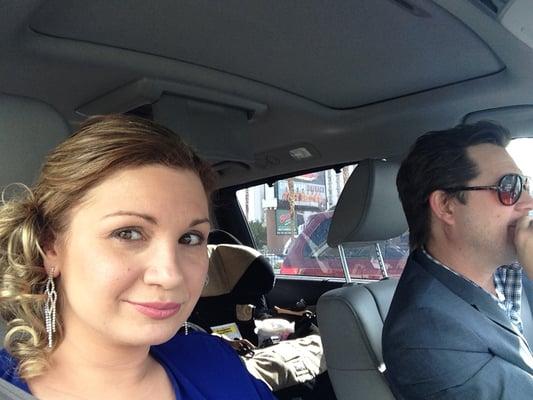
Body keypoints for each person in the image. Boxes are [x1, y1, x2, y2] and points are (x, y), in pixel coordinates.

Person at [0, 114, 276, 399]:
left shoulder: (215, 362)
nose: (170, 276)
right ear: (50, 248)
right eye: (128, 233)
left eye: (190, 238)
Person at [383, 121, 533, 399]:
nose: (529, 201)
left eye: (525, 185)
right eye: (509, 187)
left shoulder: (513, 270)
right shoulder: (425, 336)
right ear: (446, 206)